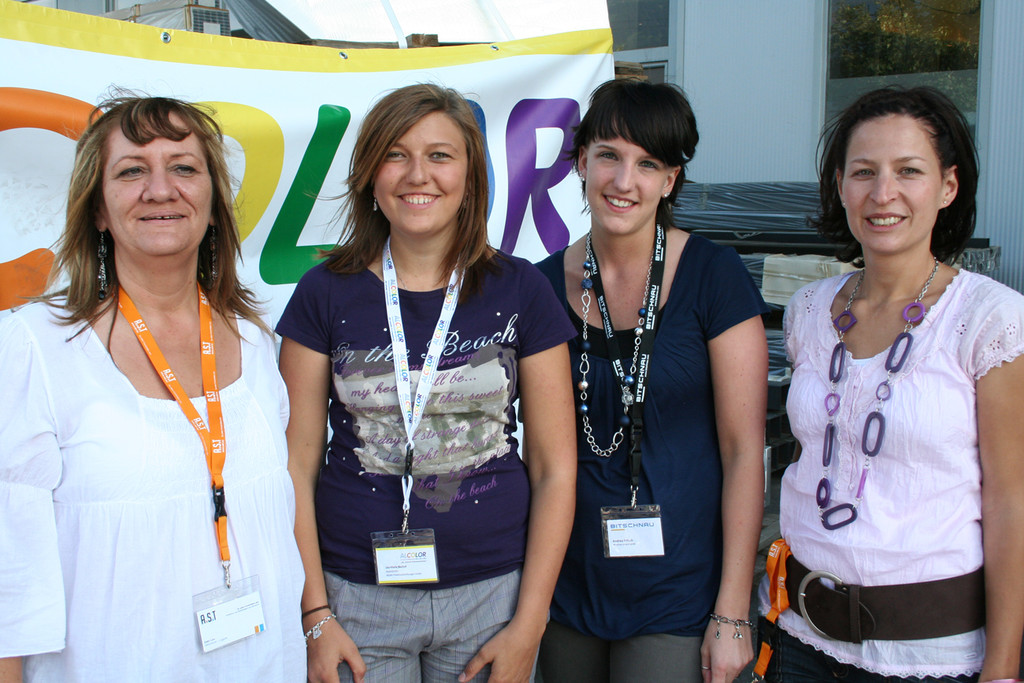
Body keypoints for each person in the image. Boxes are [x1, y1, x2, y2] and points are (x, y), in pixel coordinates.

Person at [276, 83, 577, 683]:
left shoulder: (522, 289)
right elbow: (295, 465)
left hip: (492, 597)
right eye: (396, 154)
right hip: (356, 599)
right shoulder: (323, 292)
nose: (418, 175)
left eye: (440, 155)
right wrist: (314, 614)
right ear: (370, 173)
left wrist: (530, 622)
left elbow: (555, 469)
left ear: (471, 173)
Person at [0, 96, 306, 681]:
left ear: (213, 204)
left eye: (183, 167)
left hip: (265, 663)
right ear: (98, 209)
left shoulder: (253, 339)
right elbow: (8, 566)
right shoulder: (35, 347)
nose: (160, 189)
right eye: (131, 170)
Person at [756, 86, 1024, 682]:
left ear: (948, 187)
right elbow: (816, 453)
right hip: (799, 641)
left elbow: (1012, 503)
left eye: (909, 171)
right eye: (863, 172)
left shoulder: (989, 320)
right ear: (840, 186)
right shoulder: (808, 310)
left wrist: (1004, 667)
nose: (883, 194)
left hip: (929, 655)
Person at [535, 78, 769, 683]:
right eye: (608, 155)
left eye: (647, 164)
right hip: (565, 584)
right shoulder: (538, 286)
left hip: (679, 592)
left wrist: (733, 611)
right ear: (581, 161)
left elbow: (744, 451)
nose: (623, 181)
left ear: (669, 180)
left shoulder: (713, 276)